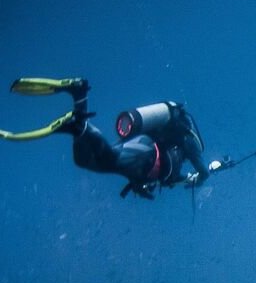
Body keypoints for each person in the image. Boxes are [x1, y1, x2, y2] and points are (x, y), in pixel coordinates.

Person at [2, 77, 211, 199]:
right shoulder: (188, 141)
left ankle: (77, 120)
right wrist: (202, 178)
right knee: (108, 159)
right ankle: (79, 106)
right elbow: (202, 171)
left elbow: (168, 176)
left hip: (143, 158)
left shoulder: (174, 155)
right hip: (147, 151)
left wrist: (139, 183)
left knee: (84, 161)